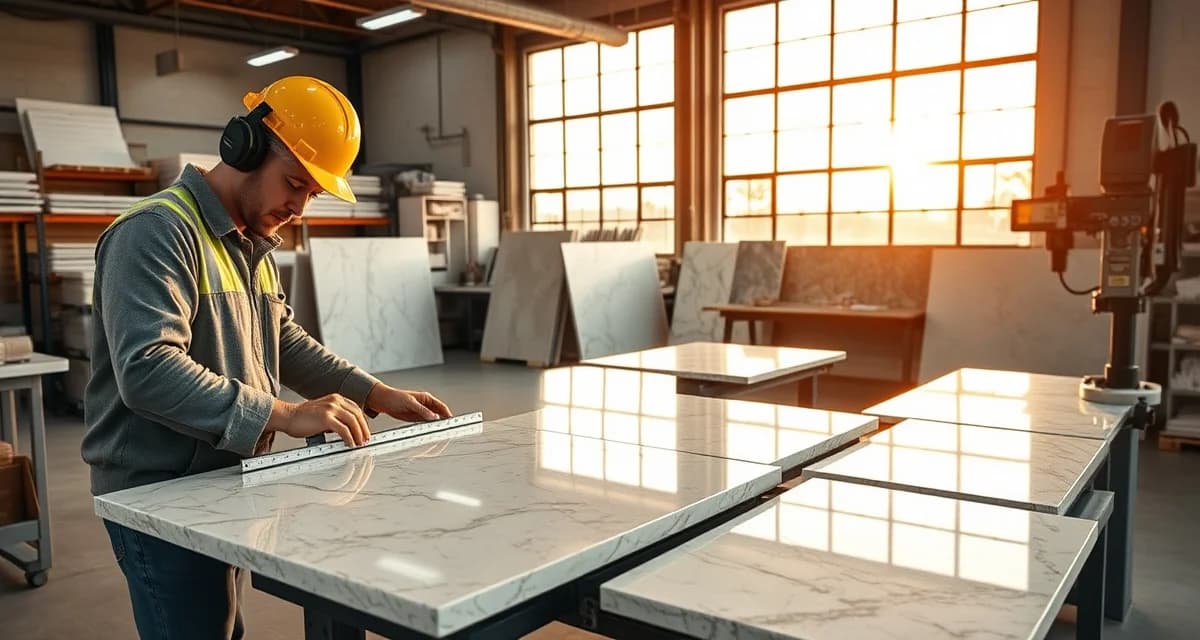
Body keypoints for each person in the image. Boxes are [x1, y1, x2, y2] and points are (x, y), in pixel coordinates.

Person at [80, 75, 453, 640]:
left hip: (221, 477)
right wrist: (284, 414)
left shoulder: (250, 241)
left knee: (223, 627)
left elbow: (283, 340)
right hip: (157, 493)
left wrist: (376, 393)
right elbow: (148, 369)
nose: (299, 207)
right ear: (245, 148)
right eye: (295, 183)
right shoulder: (156, 232)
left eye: (313, 194)